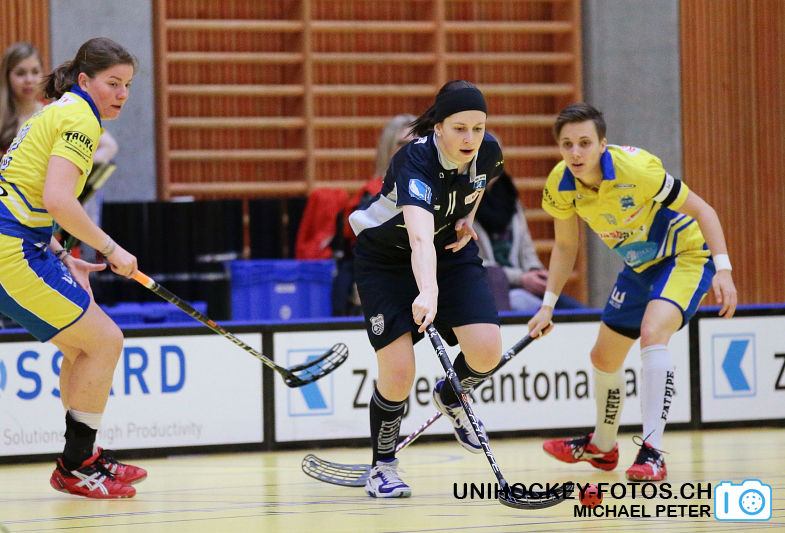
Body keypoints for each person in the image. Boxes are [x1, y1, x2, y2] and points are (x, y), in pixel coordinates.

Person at [528, 103, 737, 481]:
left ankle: (653, 452)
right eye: (567, 144)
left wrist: (724, 269)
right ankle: (602, 447)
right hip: (638, 266)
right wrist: (548, 306)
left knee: (652, 333)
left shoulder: (637, 170)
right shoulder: (560, 184)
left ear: (602, 144)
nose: (576, 153)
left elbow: (704, 210)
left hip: (685, 255)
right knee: (603, 357)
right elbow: (565, 246)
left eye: (585, 143)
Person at [0, 37, 146, 498]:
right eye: (113, 83)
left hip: (26, 244)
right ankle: (77, 465)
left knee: (83, 348)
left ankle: (84, 456)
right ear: (85, 80)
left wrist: (64, 256)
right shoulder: (80, 119)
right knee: (105, 341)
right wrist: (111, 249)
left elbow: (25, 191)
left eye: (127, 85)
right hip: (11, 250)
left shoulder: (58, 110)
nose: (122, 94)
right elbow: (58, 200)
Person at [349, 80, 504, 498]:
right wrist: (428, 292)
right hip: (386, 260)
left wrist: (468, 217)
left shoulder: (488, 151)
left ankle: (452, 396)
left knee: (487, 350)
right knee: (399, 373)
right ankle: (383, 467)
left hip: (448, 251)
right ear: (438, 127)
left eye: (478, 128)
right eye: (459, 128)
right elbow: (418, 238)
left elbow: (480, 183)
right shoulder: (414, 161)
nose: (470, 138)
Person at [332, 113, 416, 316]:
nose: (410, 150)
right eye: (402, 144)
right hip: (382, 284)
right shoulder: (371, 195)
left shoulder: (435, 191)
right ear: (387, 149)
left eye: (416, 143)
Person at [475, 169, 585, 312]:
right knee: (516, 298)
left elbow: (527, 248)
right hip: (487, 288)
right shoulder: (462, 201)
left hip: (523, 283)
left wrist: (535, 272)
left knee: (574, 310)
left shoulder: (509, 195)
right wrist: (520, 278)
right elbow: (473, 262)